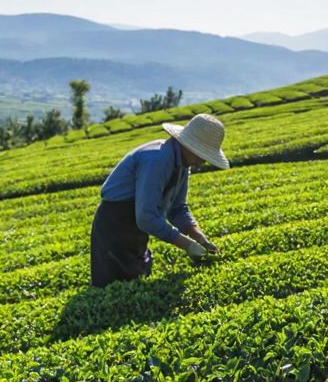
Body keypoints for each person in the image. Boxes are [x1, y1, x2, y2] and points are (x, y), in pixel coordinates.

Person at [90, 113, 229, 287]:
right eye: (203, 154)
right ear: (190, 146)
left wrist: (196, 233)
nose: (203, 161)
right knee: (114, 285)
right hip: (116, 225)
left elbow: (177, 208)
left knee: (138, 279)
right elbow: (146, 217)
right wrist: (186, 244)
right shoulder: (158, 160)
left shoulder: (182, 166)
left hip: (135, 227)